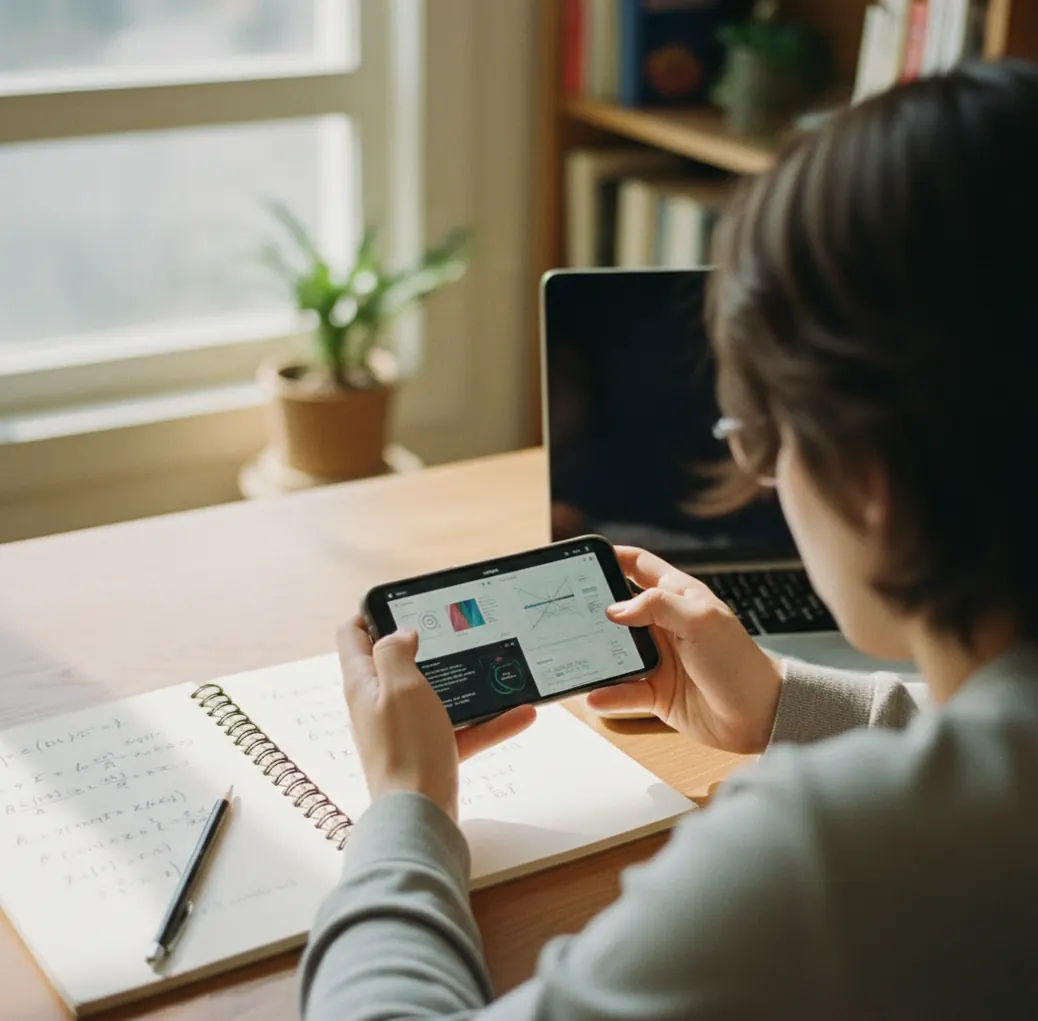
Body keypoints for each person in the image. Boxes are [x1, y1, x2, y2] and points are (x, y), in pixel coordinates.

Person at [300, 60, 1038, 1019]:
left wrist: (406, 808)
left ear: (870, 482)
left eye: (761, 441)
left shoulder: (824, 855)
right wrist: (786, 706)